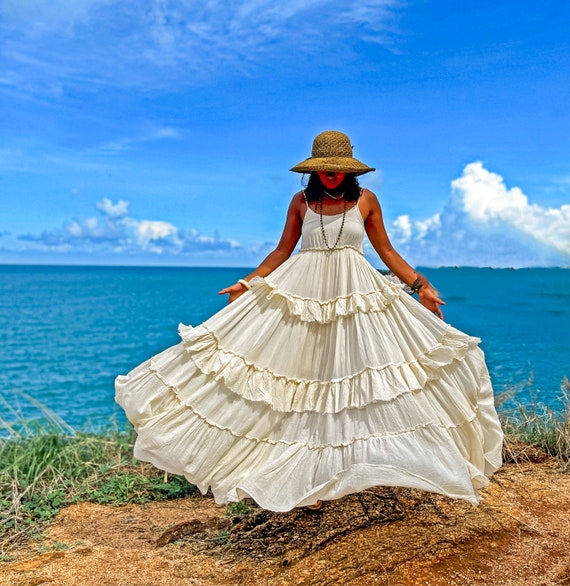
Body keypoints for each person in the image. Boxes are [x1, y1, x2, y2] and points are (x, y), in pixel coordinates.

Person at [115, 130, 503, 512]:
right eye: (324, 167)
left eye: (337, 167)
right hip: (304, 291)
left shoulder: (366, 201)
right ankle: (308, 478)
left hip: (354, 293)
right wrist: (247, 284)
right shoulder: (301, 202)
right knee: (304, 377)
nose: (330, 173)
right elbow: (283, 249)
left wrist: (422, 285)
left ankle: (350, 466)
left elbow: (386, 250)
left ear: (350, 170)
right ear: (313, 169)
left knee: (355, 377)